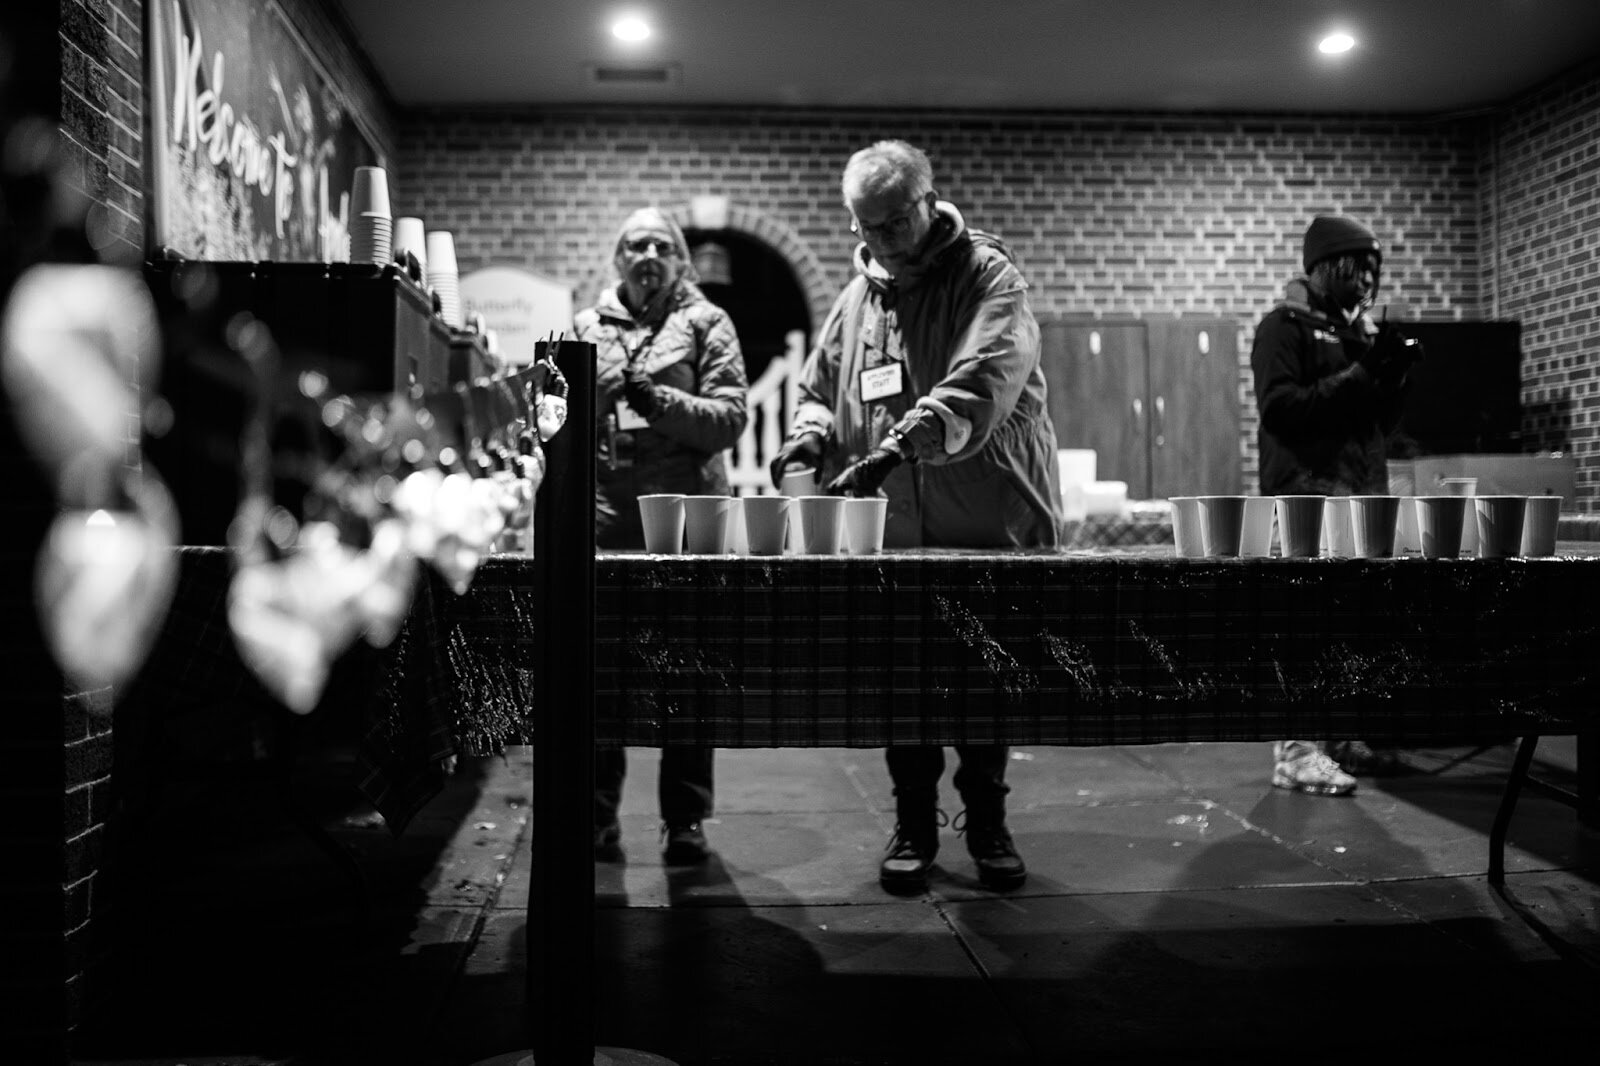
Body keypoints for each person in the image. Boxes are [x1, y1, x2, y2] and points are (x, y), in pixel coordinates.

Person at [769, 140, 1063, 892]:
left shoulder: (988, 277)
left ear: (930, 202)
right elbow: (818, 385)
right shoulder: (858, 298)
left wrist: (898, 446)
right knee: (905, 679)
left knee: (982, 674)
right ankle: (913, 821)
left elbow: (982, 380)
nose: (883, 239)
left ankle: (989, 821)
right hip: (894, 527)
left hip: (987, 519)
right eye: (867, 226)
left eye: (896, 221)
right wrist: (806, 436)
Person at [574, 207, 749, 862]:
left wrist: (653, 399)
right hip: (608, 516)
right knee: (601, 665)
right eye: (634, 244)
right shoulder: (588, 326)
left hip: (688, 515)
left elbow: (730, 419)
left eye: (661, 244)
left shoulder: (707, 323)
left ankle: (685, 818)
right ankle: (594, 814)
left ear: (679, 260)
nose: (647, 252)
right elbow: (559, 417)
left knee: (688, 666)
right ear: (617, 260)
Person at [1251, 214, 1422, 795]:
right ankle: (1295, 751)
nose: (1370, 279)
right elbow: (1281, 410)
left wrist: (1392, 376)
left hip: (1360, 493)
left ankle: (1341, 735)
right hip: (1305, 496)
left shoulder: (1363, 335)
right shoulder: (1284, 327)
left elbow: (1378, 425)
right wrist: (1361, 373)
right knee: (1304, 626)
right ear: (1329, 266)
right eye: (1360, 266)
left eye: (1376, 268)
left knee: (1352, 624)